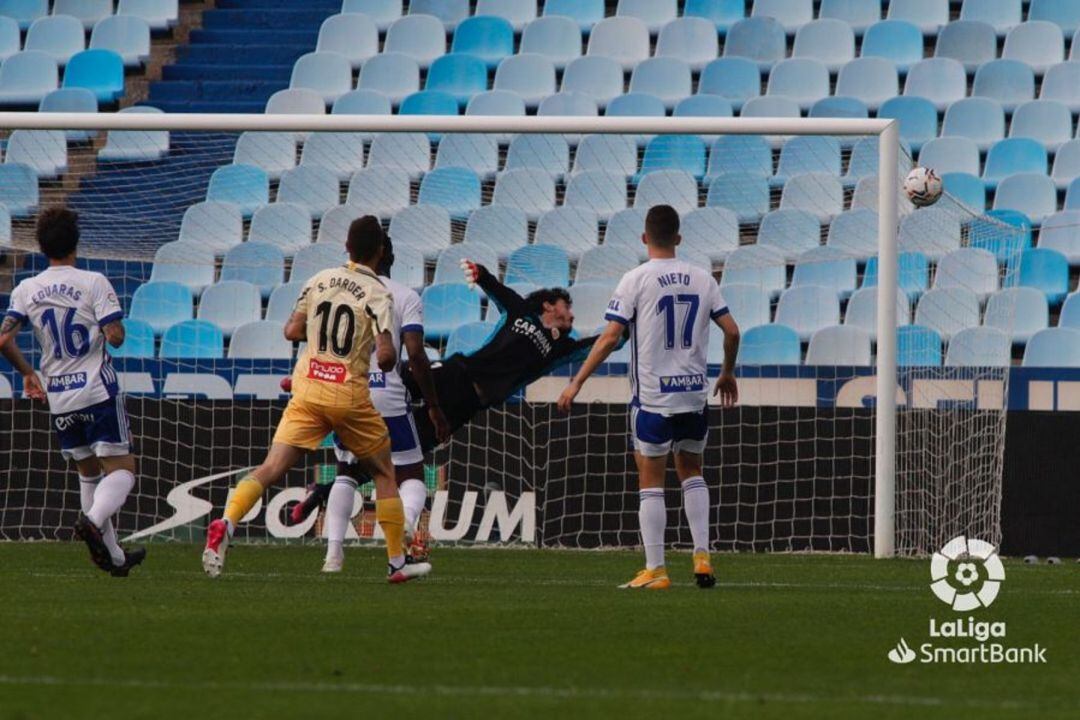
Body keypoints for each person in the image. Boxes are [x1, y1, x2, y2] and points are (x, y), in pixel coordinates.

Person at [201, 216, 430, 584]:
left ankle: (226, 522)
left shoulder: (319, 280)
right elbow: (387, 358)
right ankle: (396, 563)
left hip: (307, 389)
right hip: (349, 395)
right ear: (382, 251)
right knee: (386, 472)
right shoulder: (378, 294)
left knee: (270, 468)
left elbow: (291, 330)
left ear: (347, 248)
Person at [557, 205, 740, 590]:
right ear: (678, 238)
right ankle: (702, 556)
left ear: (644, 238)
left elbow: (609, 338)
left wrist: (576, 383)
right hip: (693, 396)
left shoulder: (635, 279)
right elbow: (732, 331)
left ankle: (656, 569)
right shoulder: (703, 278)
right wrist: (726, 372)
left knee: (650, 479)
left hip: (654, 399)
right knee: (692, 470)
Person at [0, 208, 146, 577]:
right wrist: (107, 328)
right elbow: (115, 336)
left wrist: (28, 373)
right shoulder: (94, 281)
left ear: (41, 246)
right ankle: (93, 521)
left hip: (59, 395)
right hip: (96, 389)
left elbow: (3, 338)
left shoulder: (25, 288)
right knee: (123, 471)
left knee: (88, 473)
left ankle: (114, 558)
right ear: (75, 243)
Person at [320, 235, 449, 573]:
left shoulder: (341, 292)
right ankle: (404, 524)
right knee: (410, 473)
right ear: (388, 256)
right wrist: (433, 405)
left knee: (347, 472)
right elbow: (417, 355)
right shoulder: (405, 295)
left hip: (346, 392)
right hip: (387, 395)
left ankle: (333, 555)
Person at [405, 259, 600, 454]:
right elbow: (494, 286)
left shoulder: (560, 348)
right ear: (548, 306)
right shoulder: (521, 311)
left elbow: (603, 343)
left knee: (411, 444)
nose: (572, 315)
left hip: (469, 402)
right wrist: (478, 272)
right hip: (456, 373)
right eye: (566, 307)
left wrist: (625, 324)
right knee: (398, 382)